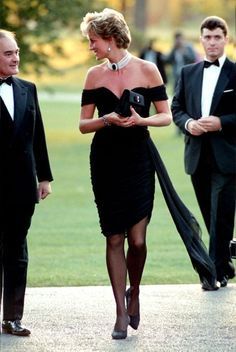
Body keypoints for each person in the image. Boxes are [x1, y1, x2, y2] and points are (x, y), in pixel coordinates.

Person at [79, 8, 217, 340]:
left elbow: (166, 116)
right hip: (106, 162)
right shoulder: (93, 76)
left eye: (93, 41)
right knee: (114, 237)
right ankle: (120, 313)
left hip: (139, 160)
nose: (91, 47)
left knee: (137, 241)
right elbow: (83, 124)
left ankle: (135, 291)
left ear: (110, 39)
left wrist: (141, 121)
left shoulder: (148, 69)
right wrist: (108, 119)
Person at [171, 16, 236, 288]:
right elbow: (176, 108)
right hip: (196, 155)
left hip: (228, 155)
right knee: (212, 215)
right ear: (201, 39)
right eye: (207, 37)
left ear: (226, 39)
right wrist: (188, 123)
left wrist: (222, 122)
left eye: (217, 37)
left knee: (220, 212)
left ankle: (211, 273)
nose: (212, 42)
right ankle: (224, 265)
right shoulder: (188, 73)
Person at [0, 30, 53, 336]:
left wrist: (44, 177)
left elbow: (38, 137)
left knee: (17, 251)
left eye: (17, 51)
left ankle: (13, 318)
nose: (16, 58)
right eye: (8, 53)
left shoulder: (27, 89)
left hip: (22, 186)